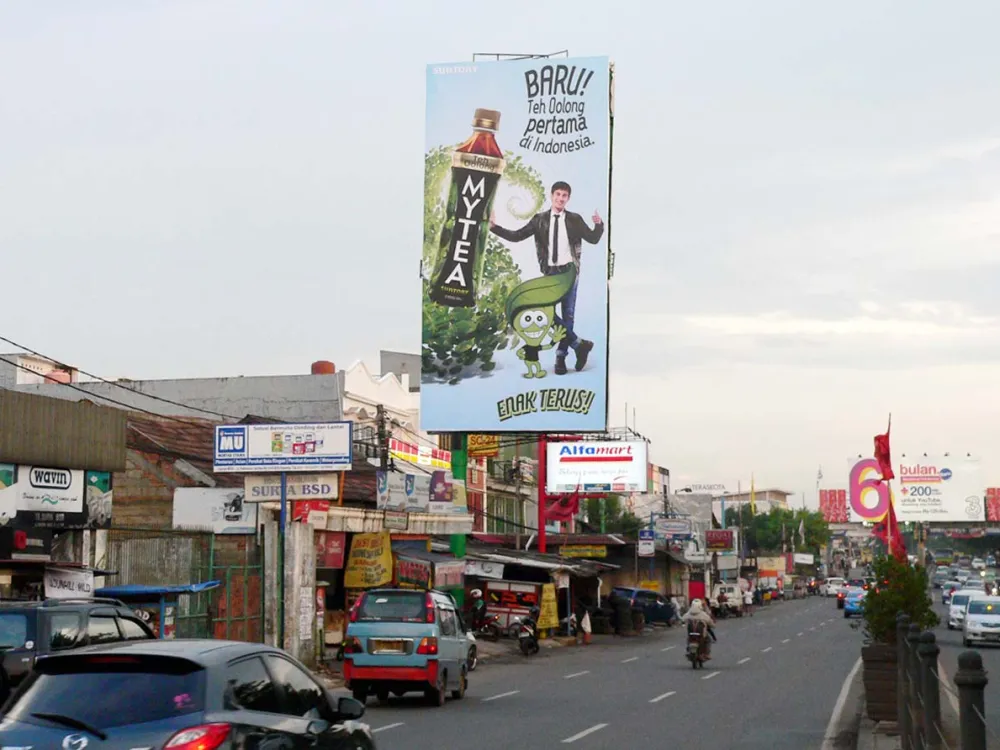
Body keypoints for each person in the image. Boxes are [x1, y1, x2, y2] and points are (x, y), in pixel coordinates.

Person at [490, 181, 603, 375]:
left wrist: (599, 224)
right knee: (548, 315)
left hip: (569, 272)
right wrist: (494, 227)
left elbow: (592, 238)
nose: (560, 198)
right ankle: (579, 345)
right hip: (550, 273)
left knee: (568, 315)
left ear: (568, 199)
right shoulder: (539, 219)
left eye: (564, 195)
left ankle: (561, 358)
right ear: (552, 196)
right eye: (558, 194)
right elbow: (517, 235)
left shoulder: (574, 219)